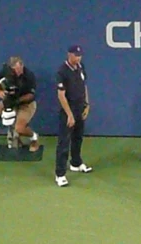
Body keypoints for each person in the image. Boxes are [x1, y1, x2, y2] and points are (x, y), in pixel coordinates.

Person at [54, 45, 92, 187]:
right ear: (69, 54)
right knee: (64, 142)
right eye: (76, 55)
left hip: (80, 109)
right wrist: (69, 115)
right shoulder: (62, 71)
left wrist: (87, 104)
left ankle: (76, 163)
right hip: (67, 111)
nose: (78, 58)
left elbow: (84, 86)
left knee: (78, 138)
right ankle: (60, 174)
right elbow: (61, 95)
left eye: (80, 55)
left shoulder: (80, 67)